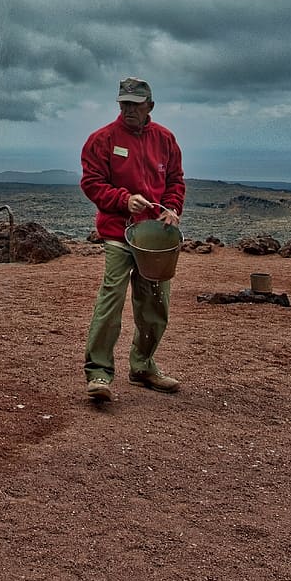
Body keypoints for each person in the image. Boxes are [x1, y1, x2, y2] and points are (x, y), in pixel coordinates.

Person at [80, 77, 186, 402]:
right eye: (123, 104)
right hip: (117, 233)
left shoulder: (165, 140)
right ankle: (98, 373)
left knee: (156, 304)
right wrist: (123, 200)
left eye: (134, 105)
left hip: (154, 239)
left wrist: (171, 208)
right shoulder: (102, 139)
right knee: (110, 300)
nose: (127, 110)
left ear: (149, 106)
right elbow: (92, 183)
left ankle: (142, 366)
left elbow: (175, 181)